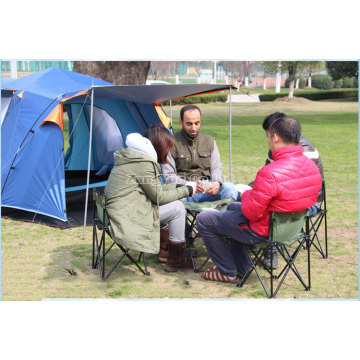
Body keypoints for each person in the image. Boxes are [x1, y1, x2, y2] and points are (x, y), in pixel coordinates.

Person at [196, 115, 322, 284]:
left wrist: (248, 194)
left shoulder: (270, 172)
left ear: (275, 137)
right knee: (233, 208)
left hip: (264, 232)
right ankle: (242, 268)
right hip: (291, 229)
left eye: (269, 136)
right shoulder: (312, 167)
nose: (268, 141)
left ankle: (228, 272)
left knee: (204, 219)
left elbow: (252, 213)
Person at [104, 124, 195, 272]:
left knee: (171, 205)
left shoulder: (134, 157)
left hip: (120, 212)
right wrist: (187, 191)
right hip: (129, 218)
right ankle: (176, 260)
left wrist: (179, 186)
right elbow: (158, 196)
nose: (169, 152)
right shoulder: (144, 163)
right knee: (177, 208)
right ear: (160, 146)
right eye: (168, 148)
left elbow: (155, 189)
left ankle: (164, 252)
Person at [259, 112, 325, 269]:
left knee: (268, 208)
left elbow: (295, 189)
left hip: (308, 203)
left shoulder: (305, 150)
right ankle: (257, 243)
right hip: (291, 199)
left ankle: (270, 250)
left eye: (269, 135)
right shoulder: (277, 150)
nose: (268, 139)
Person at [162, 104, 239, 202]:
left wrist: (217, 183)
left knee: (230, 187)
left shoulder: (209, 141)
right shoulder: (170, 143)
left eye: (197, 123)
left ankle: (223, 217)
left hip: (207, 189)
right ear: (181, 122)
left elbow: (216, 167)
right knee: (175, 201)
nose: (194, 128)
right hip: (183, 191)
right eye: (189, 124)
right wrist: (192, 185)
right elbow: (169, 176)